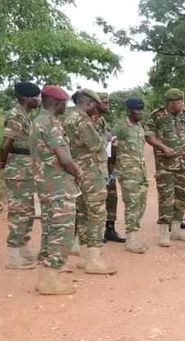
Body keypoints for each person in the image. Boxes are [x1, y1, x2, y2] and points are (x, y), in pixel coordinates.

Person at [31, 85, 82, 295]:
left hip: (45, 184)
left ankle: (45, 277)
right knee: (63, 230)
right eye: (64, 103)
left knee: (51, 227)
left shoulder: (36, 121)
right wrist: (78, 172)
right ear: (56, 102)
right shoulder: (50, 123)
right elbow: (65, 158)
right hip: (58, 185)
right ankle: (50, 280)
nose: (65, 107)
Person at [63, 89, 117, 275]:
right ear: (88, 103)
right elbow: (96, 144)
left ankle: (85, 255)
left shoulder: (68, 118)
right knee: (97, 212)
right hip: (91, 172)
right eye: (94, 104)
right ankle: (94, 258)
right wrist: (106, 138)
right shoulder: (82, 119)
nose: (95, 107)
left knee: (84, 212)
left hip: (78, 171)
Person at [0, 82, 41, 269]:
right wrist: (3, 163)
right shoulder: (16, 115)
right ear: (25, 98)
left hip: (26, 168)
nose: (38, 101)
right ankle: (14, 254)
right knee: (19, 212)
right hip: (18, 169)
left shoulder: (26, 116)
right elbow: (6, 143)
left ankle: (23, 247)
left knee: (28, 210)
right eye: (35, 97)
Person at [145, 88, 185, 247]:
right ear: (171, 103)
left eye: (183, 101)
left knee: (182, 196)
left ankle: (176, 229)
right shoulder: (157, 116)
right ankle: (164, 232)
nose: (183, 104)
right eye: (180, 102)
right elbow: (148, 136)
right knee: (166, 197)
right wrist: (163, 147)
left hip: (183, 163)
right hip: (165, 165)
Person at [113, 98, 149, 253]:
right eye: (137, 110)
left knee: (141, 202)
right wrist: (112, 170)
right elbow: (111, 148)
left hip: (140, 171)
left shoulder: (139, 126)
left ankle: (134, 233)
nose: (140, 112)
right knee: (132, 203)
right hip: (127, 172)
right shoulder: (121, 127)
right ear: (129, 110)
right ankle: (131, 239)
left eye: (141, 110)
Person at [95, 92, 126, 243]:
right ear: (95, 103)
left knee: (111, 196)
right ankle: (95, 233)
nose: (107, 105)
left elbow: (109, 137)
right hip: (93, 166)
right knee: (95, 199)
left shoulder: (102, 120)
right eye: (104, 102)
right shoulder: (86, 121)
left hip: (107, 164)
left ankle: (110, 229)